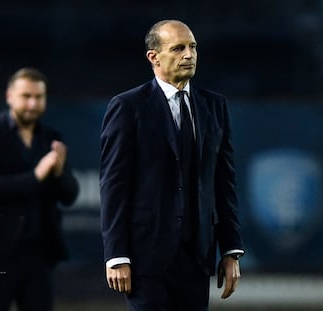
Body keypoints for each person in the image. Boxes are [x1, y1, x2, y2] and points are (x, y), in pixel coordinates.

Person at [99, 19, 244, 310]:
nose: (188, 54)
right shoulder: (128, 107)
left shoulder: (214, 106)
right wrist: (116, 255)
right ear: (153, 57)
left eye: (192, 47)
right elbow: (114, 185)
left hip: (197, 256)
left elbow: (223, 182)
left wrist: (230, 250)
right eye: (178, 48)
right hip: (145, 257)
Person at [0, 67, 79, 311]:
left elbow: (70, 196)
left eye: (38, 97)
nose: (32, 103)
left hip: (39, 253)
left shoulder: (51, 138)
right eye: (26, 96)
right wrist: (36, 176)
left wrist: (60, 172)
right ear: (10, 96)